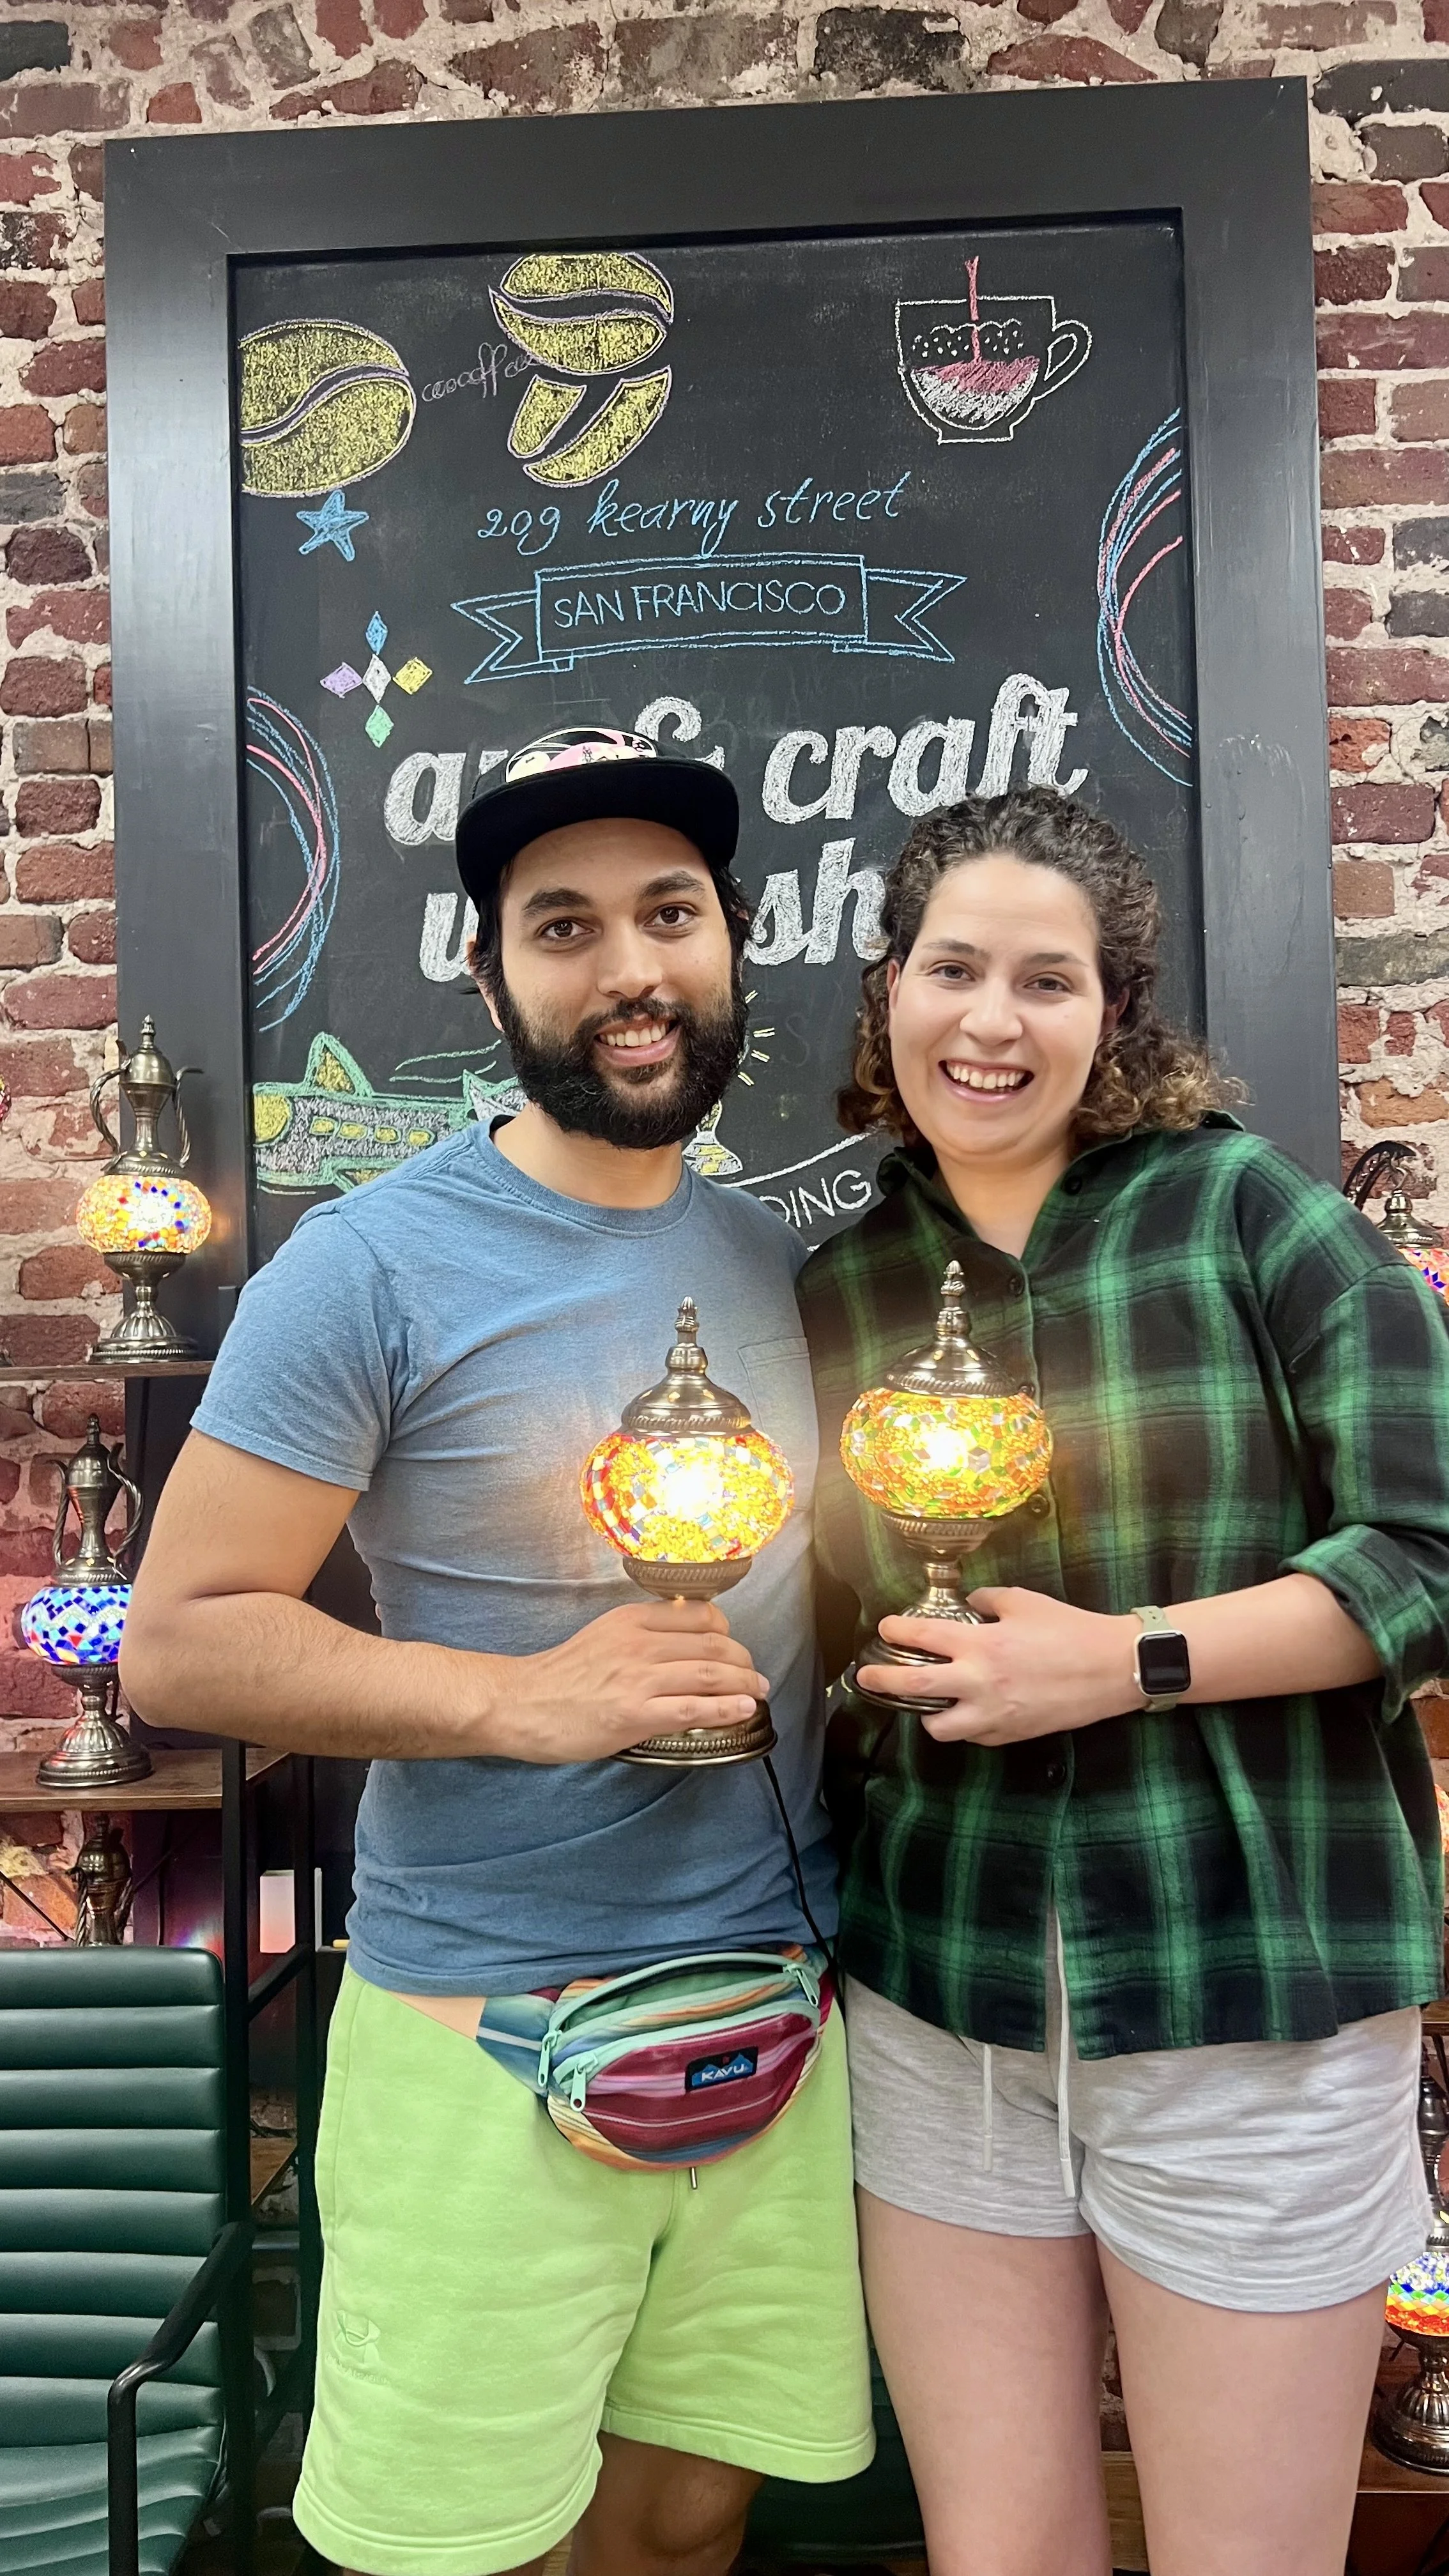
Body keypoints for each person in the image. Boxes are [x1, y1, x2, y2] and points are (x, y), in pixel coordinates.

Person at [121, 725, 873, 2576]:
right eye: (562, 926)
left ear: (732, 942)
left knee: (691, 2523)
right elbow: (181, 1647)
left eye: (668, 915)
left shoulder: (794, 1269)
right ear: (488, 975)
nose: (628, 968)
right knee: (475, 2552)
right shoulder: (365, 1268)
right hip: (486, 2033)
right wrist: (520, 1703)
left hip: (776, 2009)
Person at [797, 786, 1449, 2576]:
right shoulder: (841, 1290)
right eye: (950, 969)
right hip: (944, 2001)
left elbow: (1425, 1551)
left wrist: (1123, 1664)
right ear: (886, 994)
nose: (990, 1023)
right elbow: (837, 1640)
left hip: (1250, 1990)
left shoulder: (1250, 1223)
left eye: (1046, 980)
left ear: (1114, 1014)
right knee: (998, 2553)